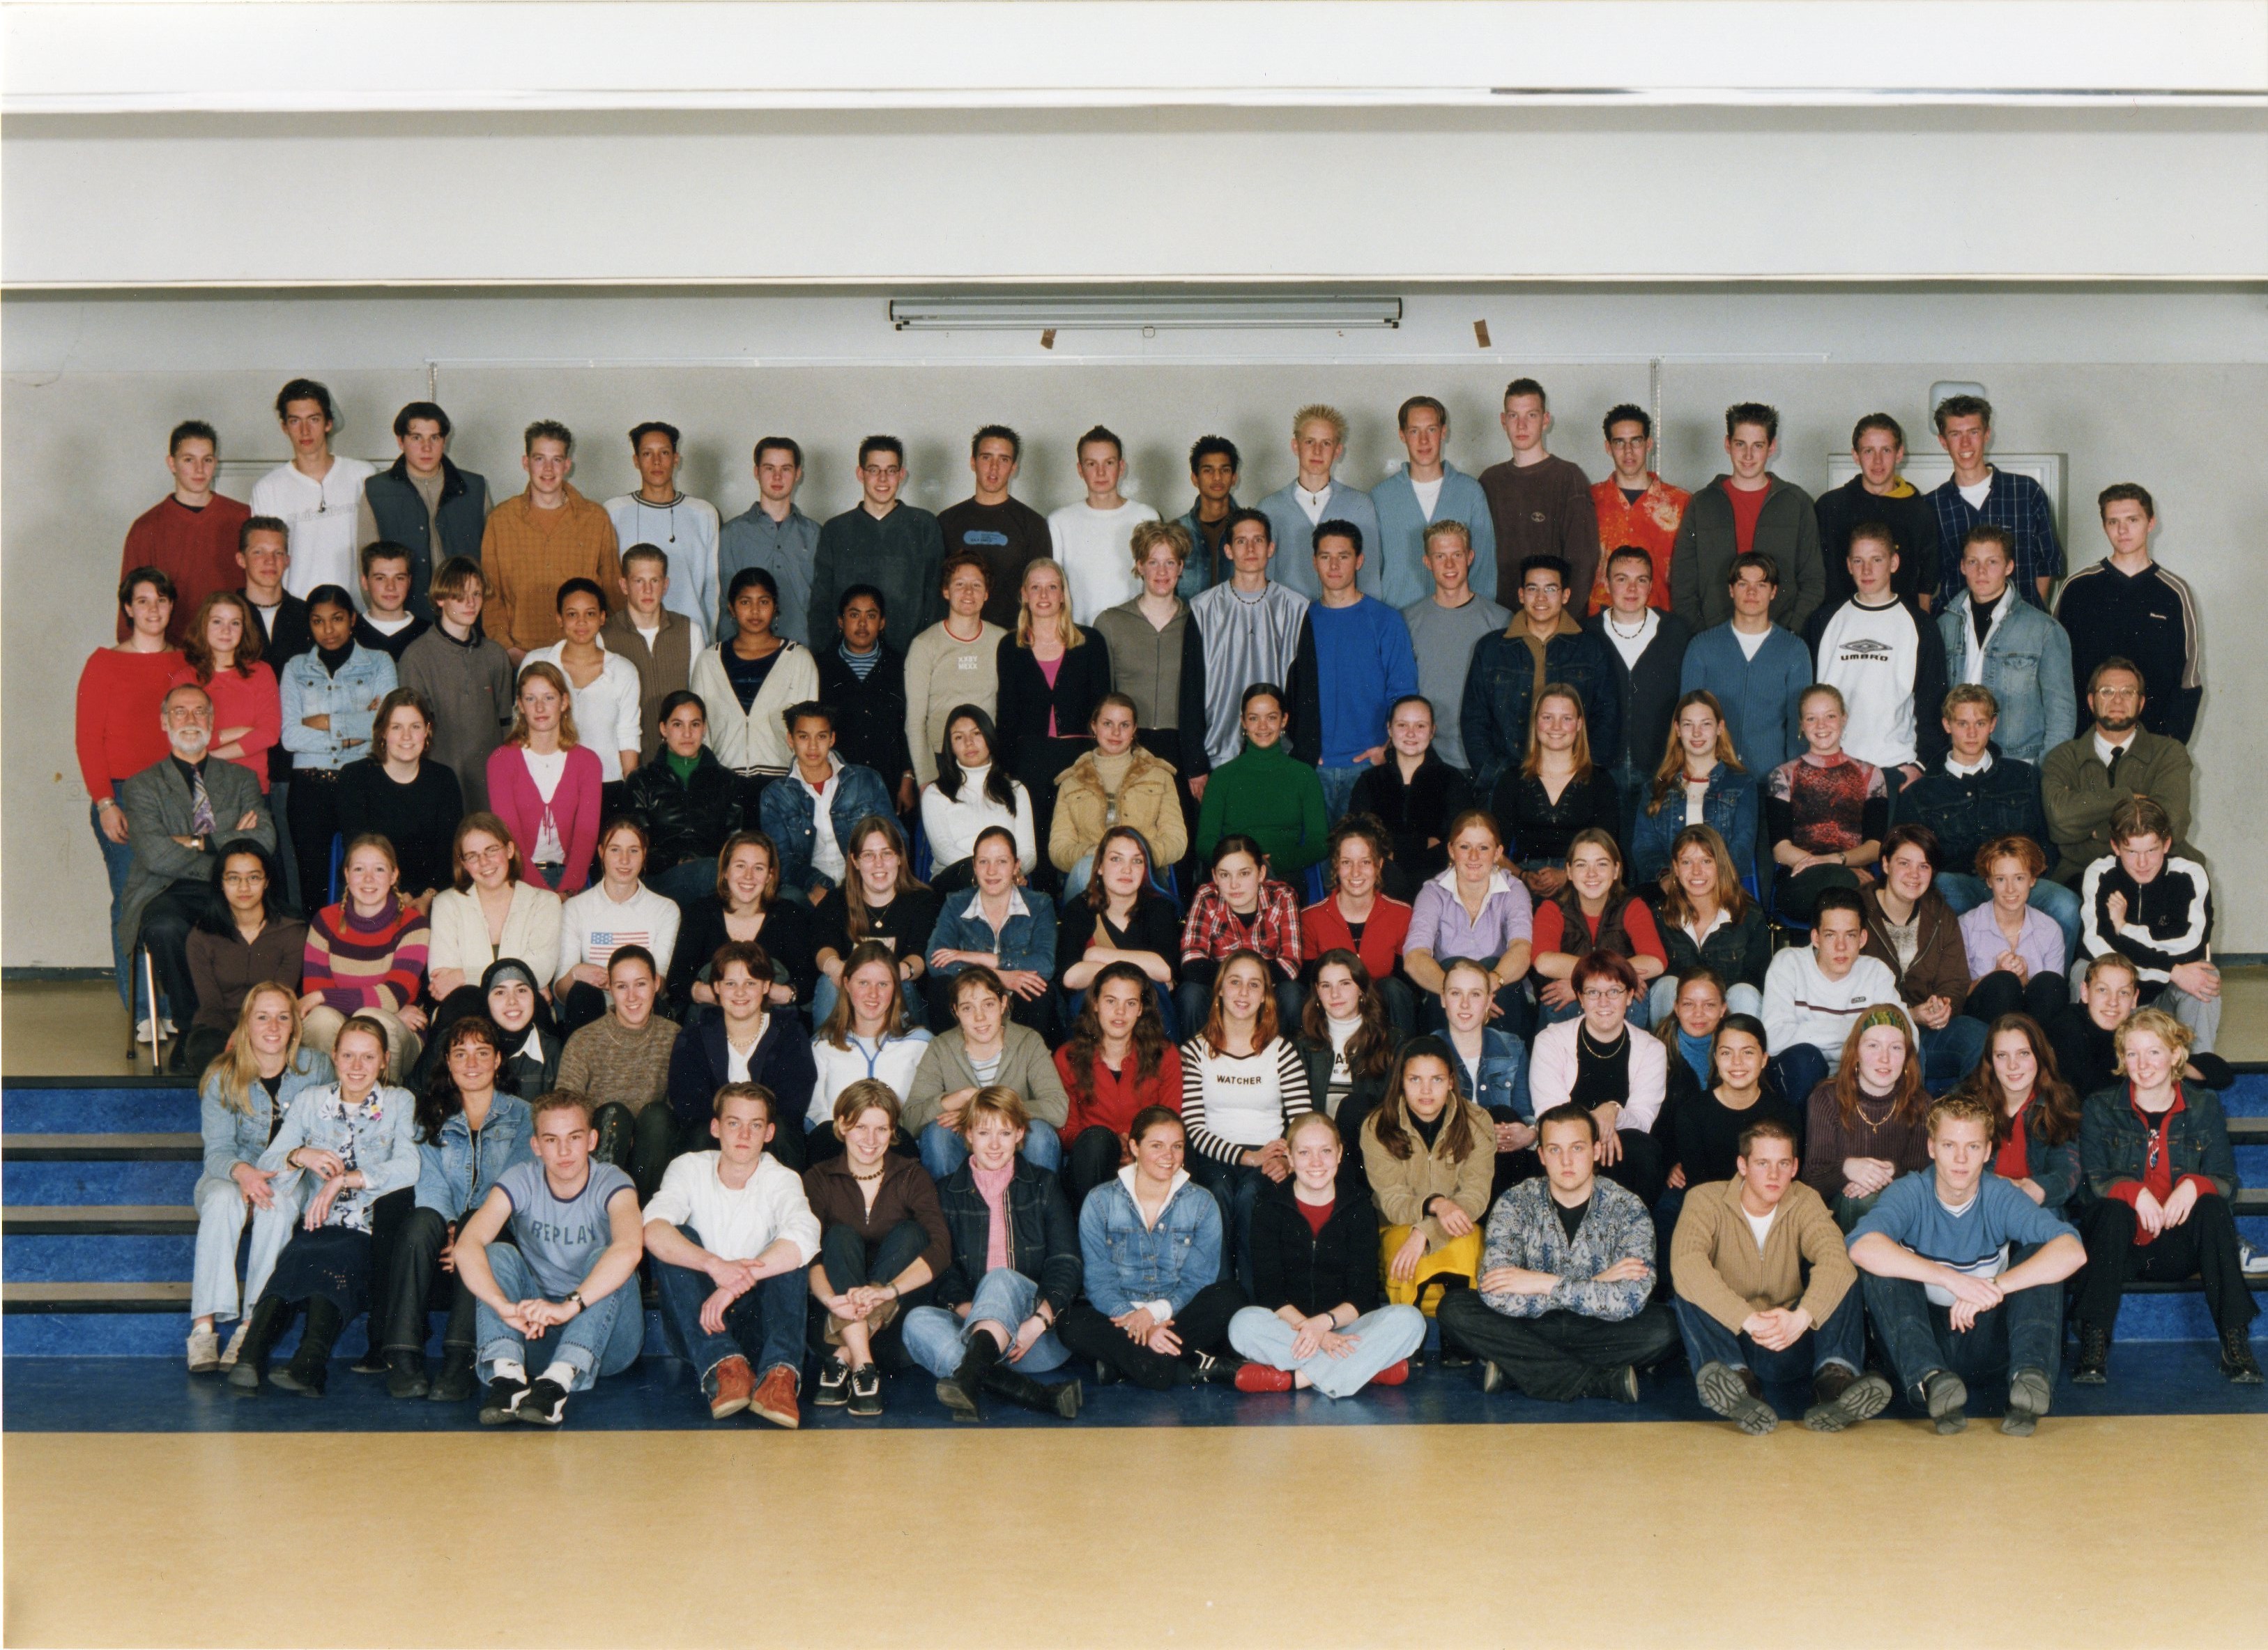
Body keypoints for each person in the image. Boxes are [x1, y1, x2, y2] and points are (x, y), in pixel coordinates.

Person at [1849, 1093, 2085, 1435]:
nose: (1961, 1159)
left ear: (1988, 1152)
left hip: (1986, 1337)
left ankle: (2029, 1382)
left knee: (2041, 1253)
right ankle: (1932, 1383)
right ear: (1931, 1148)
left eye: (1973, 1147)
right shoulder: (1910, 1192)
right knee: (1883, 1268)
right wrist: (1951, 1280)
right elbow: (1861, 1247)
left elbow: (2072, 1251)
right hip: (1922, 1338)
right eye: (1949, 1145)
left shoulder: (2001, 1195)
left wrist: (1994, 1287)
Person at [224, 1013, 419, 1397]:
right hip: (320, 1221)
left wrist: (346, 1179)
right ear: (334, 1056)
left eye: (368, 1057)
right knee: (298, 1254)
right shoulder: (311, 1102)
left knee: (332, 1256)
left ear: (384, 1061)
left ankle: (308, 1362)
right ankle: (254, 1356)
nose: (357, 1067)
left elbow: (410, 1166)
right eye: (348, 1056)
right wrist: (300, 1154)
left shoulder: (399, 1102)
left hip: (369, 1225)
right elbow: (268, 1162)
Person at [1438, 1103, 1678, 1403]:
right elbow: (1494, 1291)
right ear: (1541, 1156)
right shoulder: (1515, 1203)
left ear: (1596, 1150)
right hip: (1534, 1324)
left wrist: (1541, 1283)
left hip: (1593, 1327)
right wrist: (1599, 1283)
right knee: (1456, 1308)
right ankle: (1598, 1382)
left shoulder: (1627, 1208)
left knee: (1665, 1327)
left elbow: (1631, 1297)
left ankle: (1520, 1369)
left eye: (1577, 1148)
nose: (1566, 1161)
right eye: (1554, 1150)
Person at [2073, 1009, 2261, 1384]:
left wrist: (2193, 1185)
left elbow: (2226, 1180)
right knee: (2111, 1209)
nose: (2143, 1065)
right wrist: (2135, 1192)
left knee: (2210, 1205)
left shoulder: (2204, 1106)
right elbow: (2091, 1183)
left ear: (2176, 1055)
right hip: (2120, 1246)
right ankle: (2094, 1343)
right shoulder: (2100, 1107)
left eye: (2154, 1052)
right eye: (2132, 1054)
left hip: (2178, 1246)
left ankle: (2235, 1344)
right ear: (2122, 1059)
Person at [1670, 1117, 1888, 1435]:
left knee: (1843, 1270)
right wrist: (1746, 1318)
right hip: (1731, 1339)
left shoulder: (1804, 1200)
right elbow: (1687, 1263)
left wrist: (1801, 1317)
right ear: (1742, 1165)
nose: (1774, 1175)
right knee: (1688, 1282)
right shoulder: (1705, 1200)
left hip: (1787, 1337)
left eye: (1783, 1163)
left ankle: (1834, 1384)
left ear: (1795, 1166)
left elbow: (1834, 1259)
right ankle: (1739, 1388)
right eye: (1762, 1163)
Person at [452, 1090, 647, 1426]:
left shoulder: (613, 1182)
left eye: (574, 1137)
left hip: (607, 1342)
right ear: (536, 1146)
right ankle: (509, 1376)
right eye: (551, 1140)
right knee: (496, 1253)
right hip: (537, 1334)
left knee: (611, 1258)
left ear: (592, 1140)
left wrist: (567, 1308)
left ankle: (558, 1383)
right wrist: (503, 1306)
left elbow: (630, 1248)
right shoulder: (521, 1179)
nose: (564, 1151)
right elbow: (467, 1244)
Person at [904, 1087, 1088, 1421]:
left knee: (1000, 1278)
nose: (994, 1144)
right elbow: (942, 1267)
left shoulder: (1043, 1185)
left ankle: (973, 1375)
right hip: (971, 1324)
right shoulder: (946, 1192)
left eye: (1005, 1133)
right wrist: (968, 1310)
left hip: (1033, 1339)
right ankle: (1037, 1396)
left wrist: (1039, 1321)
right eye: (984, 1132)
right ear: (967, 1134)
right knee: (915, 1322)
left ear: (1020, 1134)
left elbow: (1067, 1262)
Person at [643, 1081, 818, 1426]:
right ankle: (725, 1366)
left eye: (755, 1125)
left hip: (760, 1327)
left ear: (769, 1133)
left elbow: (805, 1235)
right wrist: (715, 1266)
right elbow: (653, 1227)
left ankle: (779, 1378)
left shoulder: (782, 1178)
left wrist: (736, 1282)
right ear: (715, 1127)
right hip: (700, 1323)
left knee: (790, 1249)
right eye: (734, 1123)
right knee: (678, 1236)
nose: (744, 1134)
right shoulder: (688, 1168)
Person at [378, 1016, 534, 1401]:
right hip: (447, 1234)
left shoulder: (524, 1115)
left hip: (500, 1231)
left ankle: (459, 1358)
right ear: (447, 1061)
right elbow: (428, 1181)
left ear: (499, 1060)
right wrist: (450, 1228)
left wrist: (466, 1235)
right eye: (460, 1054)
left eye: (483, 1053)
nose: (472, 1063)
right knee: (419, 1221)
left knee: (474, 1221)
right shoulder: (430, 1115)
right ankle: (403, 1356)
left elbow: (513, 1187)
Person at [118, 684, 276, 1051]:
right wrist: (232, 840)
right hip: (165, 888)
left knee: (281, 923)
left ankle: (249, 1031)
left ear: (212, 719)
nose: (190, 720)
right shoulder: (142, 786)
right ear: (164, 721)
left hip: (234, 888)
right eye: (179, 712)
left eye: (200, 711)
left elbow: (265, 840)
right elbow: (155, 854)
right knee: (165, 927)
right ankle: (195, 1032)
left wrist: (195, 841)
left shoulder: (241, 780)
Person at [186, 986, 333, 1374]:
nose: (273, 1026)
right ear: (246, 1025)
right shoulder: (222, 1074)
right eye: (262, 1017)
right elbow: (216, 1151)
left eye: (283, 1017)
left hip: (290, 1173)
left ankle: (253, 1325)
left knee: (277, 1204)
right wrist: (243, 1172)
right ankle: (204, 1327)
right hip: (232, 1172)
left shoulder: (316, 1068)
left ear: (295, 1026)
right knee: (222, 1201)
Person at [1229, 1110, 1425, 1396]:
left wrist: (1324, 1326)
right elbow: (1270, 1293)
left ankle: (1298, 1379)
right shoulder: (1268, 1207)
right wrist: (1314, 1334)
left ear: (1340, 1154)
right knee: (1242, 1325)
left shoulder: (1358, 1206)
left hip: (1347, 1327)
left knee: (1410, 1321)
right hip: (1291, 1331)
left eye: (1325, 1151)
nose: (1317, 1162)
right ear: (1291, 1159)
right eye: (1305, 1153)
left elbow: (1363, 1295)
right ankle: (1368, 1369)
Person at [1055, 1106, 1248, 1389]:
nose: (1168, 1157)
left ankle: (1131, 1365)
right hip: (1120, 1314)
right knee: (1069, 1322)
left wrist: (1153, 1316)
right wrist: (1137, 1320)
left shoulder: (1202, 1203)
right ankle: (1182, 1366)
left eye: (1177, 1146)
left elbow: (1198, 1280)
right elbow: (1098, 1280)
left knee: (1232, 1297)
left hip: (1176, 1313)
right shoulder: (1100, 1201)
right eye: (1156, 1146)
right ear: (1134, 1146)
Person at [802, 1080, 952, 1417]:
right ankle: (864, 1366)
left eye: (881, 1129)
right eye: (860, 1128)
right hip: (832, 1315)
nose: (871, 1141)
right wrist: (832, 1301)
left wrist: (887, 1292)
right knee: (838, 1237)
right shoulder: (819, 1178)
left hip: (895, 1324)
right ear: (841, 1125)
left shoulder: (912, 1175)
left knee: (913, 1234)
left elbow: (941, 1248)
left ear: (893, 1131)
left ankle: (845, 1359)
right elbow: (807, 1253)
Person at [1894, 682, 2080, 953]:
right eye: (1962, 723)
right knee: (1942, 887)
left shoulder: (2023, 776)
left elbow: (2045, 839)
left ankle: (2051, 985)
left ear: (1993, 724)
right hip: (1961, 885)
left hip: (2018, 883)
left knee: (2066, 905)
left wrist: (2029, 879)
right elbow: (1906, 854)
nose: (1971, 733)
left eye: (1980, 723)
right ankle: (1960, 987)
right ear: (1947, 725)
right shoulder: (1922, 792)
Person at [79, 567, 186, 1021]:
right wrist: (105, 803)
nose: (152, 609)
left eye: (161, 600)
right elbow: (88, 739)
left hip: (174, 795)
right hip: (121, 796)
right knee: (132, 901)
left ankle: (180, 1005)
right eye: (142, 601)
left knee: (176, 903)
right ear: (127, 608)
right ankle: (144, 1012)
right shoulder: (104, 662)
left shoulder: (184, 663)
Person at [1175, 947, 1314, 1287]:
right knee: (1217, 1191)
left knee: (1254, 1196)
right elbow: (1192, 1126)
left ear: (1266, 996)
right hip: (1213, 1154)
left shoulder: (1282, 1051)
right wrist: (1244, 1156)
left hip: (1269, 1152)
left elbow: (1302, 1124)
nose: (1243, 993)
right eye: (1235, 982)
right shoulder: (1194, 1050)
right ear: (1220, 989)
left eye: (1255, 985)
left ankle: (1257, 1303)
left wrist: (1289, 1162)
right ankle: (1220, 1297)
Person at [279, 585, 398, 912]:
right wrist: (352, 732)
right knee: (312, 884)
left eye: (337, 619)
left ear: (352, 619)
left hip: (361, 780)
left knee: (366, 878)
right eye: (318, 621)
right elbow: (290, 736)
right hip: (309, 785)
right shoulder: (295, 668)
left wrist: (322, 721)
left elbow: (385, 727)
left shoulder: (379, 662)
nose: (328, 630)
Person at [1460, 554, 1620, 796]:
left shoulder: (1591, 649)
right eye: (1533, 588)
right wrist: (1497, 778)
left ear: (1565, 595)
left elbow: (1607, 717)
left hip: (1573, 784)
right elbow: (1474, 720)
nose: (1541, 598)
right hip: (1504, 782)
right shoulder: (1491, 649)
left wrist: (1585, 776)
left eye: (1551, 589)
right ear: (1521, 595)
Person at [1805, 522, 1949, 787]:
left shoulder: (1920, 625)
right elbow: (1804, 697)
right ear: (1848, 565)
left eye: (1877, 560)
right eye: (1858, 561)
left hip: (1894, 769)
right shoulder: (1824, 620)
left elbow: (1933, 702)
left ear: (1894, 563)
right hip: (1832, 766)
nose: (1867, 570)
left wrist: (1921, 764)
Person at [2055, 482, 2201, 743]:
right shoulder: (2077, 588)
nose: (2123, 530)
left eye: (2132, 520)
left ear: (2151, 523)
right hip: (2086, 743)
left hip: (2152, 745)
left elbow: (2189, 679)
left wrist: (2172, 747)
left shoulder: (2174, 592)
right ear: (2104, 527)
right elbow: (2053, 670)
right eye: (2113, 522)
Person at [1361, 1036, 1495, 1314]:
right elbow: (1394, 1202)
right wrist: (1436, 1205)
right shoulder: (1377, 1126)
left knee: (1465, 1246)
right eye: (1414, 1080)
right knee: (1404, 1254)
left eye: (1436, 1079)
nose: (1425, 1090)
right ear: (1401, 1081)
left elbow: (1476, 1195)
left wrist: (1426, 1231)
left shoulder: (1478, 1122)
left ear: (1451, 1082)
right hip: (1399, 1223)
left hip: (1460, 1222)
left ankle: (1459, 1334)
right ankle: (1412, 1336)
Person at [1930, 525, 2076, 773]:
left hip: (2018, 766)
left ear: (2009, 567)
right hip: (1957, 767)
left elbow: (2061, 714)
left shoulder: (2045, 630)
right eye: (1973, 561)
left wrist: (2045, 775)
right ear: (1962, 566)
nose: (1982, 571)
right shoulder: (1944, 626)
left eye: (1992, 562)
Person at [2078, 797, 2220, 1051]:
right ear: (2115, 846)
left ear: (2166, 844)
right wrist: (2173, 970)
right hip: (2117, 994)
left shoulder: (2190, 875)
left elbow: (2189, 947)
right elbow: (2099, 947)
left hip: (2165, 996)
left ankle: (2196, 1074)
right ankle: (2092, 1074)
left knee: (2205, 976)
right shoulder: (2099, 874)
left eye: (2151, 850)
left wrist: (2124, 929)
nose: (2142, 863)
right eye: (2132, 852)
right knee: (2085, 972)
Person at [1527, 949, 1670, 1202]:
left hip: (1619, 1153)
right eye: (1593, 992)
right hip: (1566, 1150)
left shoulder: (1652, 1049)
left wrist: (1613, 1111)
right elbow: (1549, 1114)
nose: (1604, 1002)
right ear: (1580, 998)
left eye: (1614, 991)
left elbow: (1643, 1120)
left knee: (1643, 1148)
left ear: (1629, 996)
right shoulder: (1550, 1041)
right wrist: (1595, 1125)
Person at [1669, 403, 1825, 633]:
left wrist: (1789, 630)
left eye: (1758, 445)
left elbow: (1813, 581)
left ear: (1772, 447)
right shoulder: (1701, 504)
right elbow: (1683, 584)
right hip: (1715, 637)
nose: (1748, 455)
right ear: (1727, 444)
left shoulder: (1797, 503)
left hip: (1778, 637)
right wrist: (1703, 634)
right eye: (1740, 444)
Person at [665, 941, 818, 1175]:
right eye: (730, 983)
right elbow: (688, 1101)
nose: (740, 993)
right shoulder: (694, 1034)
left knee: (784, 1131)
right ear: (716, 986)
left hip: (768, 1136)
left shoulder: (790, 1033)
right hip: (712, 1136)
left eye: (750, 983)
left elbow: (793, 1102)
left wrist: (751, 1128)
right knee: (699, 1132)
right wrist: (732, 1129)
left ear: (766, 985)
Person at [996, 557, 1114, 856]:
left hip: (1081, 759)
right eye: (1036, 588)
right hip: (1030, 759)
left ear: (1064, 594)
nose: (1044, 595)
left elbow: (1103, 707)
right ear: (1024, 595)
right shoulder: (1010, 647)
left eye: (1052, 587)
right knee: (1039, 841)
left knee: (1083, 840)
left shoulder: (1090, 642)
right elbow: (1007, 713)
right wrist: (1007, 770)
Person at [2041, 657, 2194, 887]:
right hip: (2083, 871)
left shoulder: (2169, 753)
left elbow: (2173, 821)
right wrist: (2128, 798)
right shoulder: (2063, 757)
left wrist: (2095, 831)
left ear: (2141, 703)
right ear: (2091, 701)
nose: (2117, 700)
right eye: (2107, 691)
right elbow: (2059, 821)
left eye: (2128, 692)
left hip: (2159, 869)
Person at [1186, 510, 1319, 772]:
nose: (1250, 548)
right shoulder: (1203, 609)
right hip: (1218, 756)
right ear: (1228, 551)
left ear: (1270, 548)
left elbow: (1306, 692)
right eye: (1241, 541)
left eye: (1258, 540)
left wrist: (1303, 760)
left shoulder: (1294, 608)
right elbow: (1191, 693)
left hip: (1281, 757)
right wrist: (1196, 765)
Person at [479, 420, 622, 663]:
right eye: (539, 459)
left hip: (583, 656)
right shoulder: (501, 520)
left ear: (567, 465)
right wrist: (507, 647)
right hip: (520, 656)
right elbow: (491, 595)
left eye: (556, 459)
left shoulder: (595, 519)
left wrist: (604, 648)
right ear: (526, 463)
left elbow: (613, 592)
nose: (548, 469)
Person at [905, 965, 1069, 1177]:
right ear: (955, 1011)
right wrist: (958, 1098)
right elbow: (910, 1121)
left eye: (988, 1004)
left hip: (1013, 1143)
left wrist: (978, 1112)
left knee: (1039, 1133)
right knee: (938, 1135)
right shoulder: (940, 1047)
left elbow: (1057, 1109)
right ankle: (952, 1209)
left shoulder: (1028, 1042)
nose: (979, 1017)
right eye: (967, 1008)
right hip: (964, 1143)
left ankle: (1036, 1207)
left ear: (1003, 1004)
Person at [1304, 520, 1420, 820]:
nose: (1333, 565)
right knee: (1317, 862)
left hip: (1368, 765)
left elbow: (1404, 693)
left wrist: (1386, 749)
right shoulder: (1301, 620)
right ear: (1314, 561)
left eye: (1343, 556)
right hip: (1313, 766)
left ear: (1359, 561)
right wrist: (1301, 748)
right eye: (1325, 556)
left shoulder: (1385, 620)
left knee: (1365, 858)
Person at [1858, 824, 1987, 1090]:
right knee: (1911, 1053)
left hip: (1929, 1029)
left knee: (1980, 1037)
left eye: (1924, 866)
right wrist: (1909, 1015)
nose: (1914, 875)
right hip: (1873, 1033)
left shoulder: (1940, 915)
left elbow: (1955, 980)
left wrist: (1940, 1007)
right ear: (1885, 864)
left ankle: (1957, 1118)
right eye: (1904, 863)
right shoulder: (1857, 911)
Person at [1092, 520, 1210, 797]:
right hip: (1126, 745)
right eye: (1153, 562)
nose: (1161, 572)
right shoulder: (1111, 622)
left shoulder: (1199, 622)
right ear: (1139, 565)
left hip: (1181, 748)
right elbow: (1100, 698)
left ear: (1181, 568)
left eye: (1170, 563)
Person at [298, 832, 429, 1080]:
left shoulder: (414, 926)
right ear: (346, 875)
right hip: (348, 1026)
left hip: (400, 1034)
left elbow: (393, 994)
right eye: (359, 869)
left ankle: (382, 1110)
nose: (369, 879)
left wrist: (324, 997)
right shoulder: (325, 921)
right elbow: (317, 995)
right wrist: (388, 1008)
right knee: (320, 1020)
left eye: (379, 869)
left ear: (394, 876)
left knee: (378, 1021)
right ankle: (325, 1104)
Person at [1055, 961, 1184, 1206]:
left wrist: (1136, 1145)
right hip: (1092, 1165)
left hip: (1147, 1159)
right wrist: (1112, 1144)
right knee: (1096, 1143)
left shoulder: (1165, 1055)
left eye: (1131, 1003)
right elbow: (1065, 1130)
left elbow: (1170, 1118)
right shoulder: (1068, 1057)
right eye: (1111, 1001)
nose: (1120, 1012)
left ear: (1141, 1009)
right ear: (1095, 1004)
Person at [1588, 546, 1694, 843]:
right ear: (1606, 584)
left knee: (1653, 852)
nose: (1632, 589)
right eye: (1622, 579)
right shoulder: (1587, 634)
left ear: (1651, 585)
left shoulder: (1675, 631)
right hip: (1603, 771)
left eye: (1641, 580)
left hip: (1661, 770)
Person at [1761, 888, 1907, 1101]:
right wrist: (1860, 1035)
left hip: (1857, 1072)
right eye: (1831, 935)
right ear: (1816, 938)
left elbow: (1906, 1033)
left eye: (1850, 935)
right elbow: (1774, 1039)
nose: (1841, 946)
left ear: (1863, 938)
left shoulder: (1876, 972)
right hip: (1801, 1075)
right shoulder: (1789, 964)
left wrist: (1812, 1034)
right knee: (1805, 1059)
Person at [690, 566, 820, 802]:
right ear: (731, 607)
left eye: (763, 602)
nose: (755, 611)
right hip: (723, 785)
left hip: (783, 786)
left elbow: (809, 729)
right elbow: (701, 730)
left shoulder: (798, 659)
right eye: (745, 602)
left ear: (775, 606)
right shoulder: (709, 661)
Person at [397, 555, 516, 813]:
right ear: (440, 599)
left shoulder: (495, 655)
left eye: (477, 594)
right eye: (460, 596)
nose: (471, 603)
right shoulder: (416, 657)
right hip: (440, 786)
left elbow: (507, 726)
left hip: (490, 784)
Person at [1678, 552, 1814, 776]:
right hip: (1713, 777)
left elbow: (1797, 726)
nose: (1751, 593)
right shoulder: (1701, 647)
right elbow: (1686, 719)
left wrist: (1791, 781)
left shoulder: (1794, 650)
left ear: (1773, 592)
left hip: (1771, 779)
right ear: (1731, 590)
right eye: (1743, 584)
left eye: (1761, 585)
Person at [557, 945, 679, 1191]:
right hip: (602, 1153)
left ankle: (643, 1216)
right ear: (610, 988)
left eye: (641, 984)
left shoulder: (675, 1037)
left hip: (654, 1156)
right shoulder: (585, 1040)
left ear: (656, 983)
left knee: (658, 1116)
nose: (632, 997)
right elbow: (564, 1111)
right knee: (615, 1114)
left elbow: (680, 1109)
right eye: (622, 986)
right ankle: (598, 1208)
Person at [356, 400, 489, 622]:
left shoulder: (474, 488)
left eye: (434, 438)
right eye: (417, 438)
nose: (426, 448)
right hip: (405, 619)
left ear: (444, 441)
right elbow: (366, 563)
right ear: (401, 441)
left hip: (466, 619)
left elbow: (492, 562)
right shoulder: (377, 490)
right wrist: (385, 620)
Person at [2046, 949, 2237, 1105]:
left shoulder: (2136, 1031)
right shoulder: (2067, 1026)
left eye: (2123, 993)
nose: (2113, 1002)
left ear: (2135, 999)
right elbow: (2088, 1094)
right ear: (2085, 992)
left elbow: (2221, 1073)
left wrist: (2173, 1065)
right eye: (2103, 990)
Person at [121, 420, 252, 646]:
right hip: (172, 656)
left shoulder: (242, 517)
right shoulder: (146, 528)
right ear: (172, 463)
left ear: (216, 463)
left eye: (207, 460)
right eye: (189, 460)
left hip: (231, 653)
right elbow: (130, 612)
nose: (199, 470)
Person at [1926, 395, 2062, 610]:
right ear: (1943, 442)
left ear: (1987, 434)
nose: (1965, 443)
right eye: (1955, 434)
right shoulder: (1931, 506)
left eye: (1974, 432)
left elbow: (2047, 562)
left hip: (2020, 628)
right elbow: (1926, 579)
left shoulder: (2026, 492)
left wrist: (2031, 619)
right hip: (1958, 631)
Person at [424, 813, 565, 1021]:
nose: (484, 862)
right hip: (466, 1016)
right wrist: (523, 983)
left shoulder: (545, 903)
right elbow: (441, 979)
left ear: (509, 850)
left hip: (522, 1015)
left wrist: (463, 976)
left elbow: (540, 970)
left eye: (491, 850)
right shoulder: (446, 904)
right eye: (472, 856)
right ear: (463, 863)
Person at [1764, 685, 1886, 923]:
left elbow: (1875, 847)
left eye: (1830, 716)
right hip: (1801, 883)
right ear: (1801, 724)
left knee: (1853, 891)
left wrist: (1836, 863)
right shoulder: (1782, 776)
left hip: (1856, 880)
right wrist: (1831, 868)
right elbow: (1781, 849)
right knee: (1843, 888)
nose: (1821, 726)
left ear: (1844, 719)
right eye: (1812, 718)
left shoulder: (1871, 775)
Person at [183, 841, 307, 1074]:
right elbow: (211, 1005)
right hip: (219, 1026)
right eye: (233, 878)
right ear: (220, 883)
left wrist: (249, 1035)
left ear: (267, 881)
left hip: (274, 1025)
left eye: (253, 878)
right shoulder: (201, 936)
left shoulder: (293, 932)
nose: (243, 887)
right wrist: (237, 1037)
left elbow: (280, 999)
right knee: (204, 1049)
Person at [1800, 1007, 1931, 1230]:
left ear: (1908, 1057)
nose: (1885, 1058)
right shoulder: (1826, 1098)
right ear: (1856, 1053)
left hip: (1899, 1211)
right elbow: (1812, 1179)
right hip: (1836, 1217)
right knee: (1860, 1200)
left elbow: (1922, 1177)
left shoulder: (1920, 1103)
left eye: (1896, 1048)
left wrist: (1890, 1172)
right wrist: (1847, 1168)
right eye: (1873, 1045)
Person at [811, 435, 946, 650]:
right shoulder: (836, 530)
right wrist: (824, 655)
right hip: (849, 656)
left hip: (910, 654)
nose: (883, 479)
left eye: (891, 470)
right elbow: (822, 601)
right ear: (860, 474)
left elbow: (935, 598)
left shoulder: (923, 525)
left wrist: (927, 653)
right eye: (874, 470)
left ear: (902, 474)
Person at [1400, 520, 1510, 779]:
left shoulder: (1500, 620)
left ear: (1470, 557)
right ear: (1427, 562)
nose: (1449, 565)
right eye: (1440, 556)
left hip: (1486, 756)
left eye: (1457, 555)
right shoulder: (1407, 621)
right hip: (1428, 756)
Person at [1404, 811, 1533, 1032]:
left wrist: (1486, 990)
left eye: (1483, 848)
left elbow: (1522, 949)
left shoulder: (1514, 889)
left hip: (1501, 996)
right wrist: (1459, 994)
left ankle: (1508, 1063)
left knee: (1494, 965)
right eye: (1465, 847)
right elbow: (1414, 958)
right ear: (1451, 850)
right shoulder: (1432, 892)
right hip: (1448, 1001)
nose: (1474, 857)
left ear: (1498, 853)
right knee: (1451, 966)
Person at [665, 827, 814, 1018]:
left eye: (758, 868)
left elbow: (807, 982)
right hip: (712, 1018)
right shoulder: (700, 912)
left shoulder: (789, 914)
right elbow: (676, 980)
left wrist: (781, 994)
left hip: (771, 1019)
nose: (748, 876)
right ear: (725, 871)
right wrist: (716, 993)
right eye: (740, 866)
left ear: (769, 876)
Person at [924, 826, 1058, 1035]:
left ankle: (1023, 1063)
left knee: (1039, 991)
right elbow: (935, 961)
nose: (991, 871)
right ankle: (956, 1061)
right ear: (975, 867)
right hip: (972, 997)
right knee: (940, 987)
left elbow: (1044, 965)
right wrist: (1001, 978)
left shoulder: (1040, 904)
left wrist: (973, 957)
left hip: (1018, 1001)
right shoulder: (956, 903)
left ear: (1016, 866)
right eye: (984, 862)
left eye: (1002, 861)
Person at [1490, 685, 1622, 895]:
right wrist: (1522, 876)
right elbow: (1493, 850)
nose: (1556, 727)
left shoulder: (1601, 782)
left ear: (1579, 724)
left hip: (1585, 882)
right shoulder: (1512, 780)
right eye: (1547, 717)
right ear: (1535, 723)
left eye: (1567, 719)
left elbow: (1607, 850)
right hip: (1521, 881)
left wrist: (1566, 876)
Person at [1477, 378, 1600, 604]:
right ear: (1503, 421)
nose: (1521, 425)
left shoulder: (1568, 478)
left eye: (1531, 415)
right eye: (1514, 415)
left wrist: (1565, 625)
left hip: (1551, 620)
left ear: (1545, 420)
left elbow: (1583, 562)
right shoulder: (1490, 481)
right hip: (1500, 621)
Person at [1050, 695, 1188, 896]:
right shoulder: (1071, 782)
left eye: (1124, 725)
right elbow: (1058, 848)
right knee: (1083, 870)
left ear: (1134, 730)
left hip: (1144, 873)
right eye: (1108, 724)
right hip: (1090, 874)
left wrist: (1136, 858)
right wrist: (1099, 858)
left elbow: (1176, 840)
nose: (1116, 732)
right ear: (1094, 726)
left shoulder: (1160, 775)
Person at [250, 379, 374, 602]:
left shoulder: (363, 476)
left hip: (357, 612)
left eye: (313, 419)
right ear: (284, 427)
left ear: (328, 423)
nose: (305, 431)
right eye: (295, 421)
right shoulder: (268, 489)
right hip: (297, 614)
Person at [517, 581, 643, 800]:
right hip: (547, 783)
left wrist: (630, 794)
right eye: (572, 614)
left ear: (603, 618)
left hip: (607, 785)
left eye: (590, 614)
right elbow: (521, 727)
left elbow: (628, 736)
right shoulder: (536, 662)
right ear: (559, 619)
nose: (581, 622)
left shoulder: (624, 671)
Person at [486, 662, 604, 895]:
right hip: (518, 880)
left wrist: (568, 891)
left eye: (549, 698)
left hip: (572, 881)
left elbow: (586, 835)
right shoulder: (500, 761)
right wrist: (544, 897)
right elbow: (510, 837)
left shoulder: (588, 763)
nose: (540, 707)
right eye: (530, 699)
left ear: (564, 702)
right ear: (520, 705)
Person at [809, 816, 938, 1028]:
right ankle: (827, 1054)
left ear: (899, 858)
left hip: (901, 995)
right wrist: (836, 969)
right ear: (855, 861)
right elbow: (824, 948)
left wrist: (893, 975)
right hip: (849, 998)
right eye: (868, 855)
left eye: (886, 853)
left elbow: (919, 957)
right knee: (828, 983)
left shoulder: (922, 901)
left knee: (902, 985)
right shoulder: (836, 901)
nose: (879, 864)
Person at [760, 700, 894, 903]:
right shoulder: (775, 795)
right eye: (804, 737)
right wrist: (815, 884)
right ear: (790, 739)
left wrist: (868, 879)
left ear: (832, 739)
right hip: (809, 887)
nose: (813, 746)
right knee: (788, 901)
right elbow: (781, 860)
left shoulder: (866, 780)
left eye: (821, 736)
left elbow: (895, 837)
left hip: (865, 877)